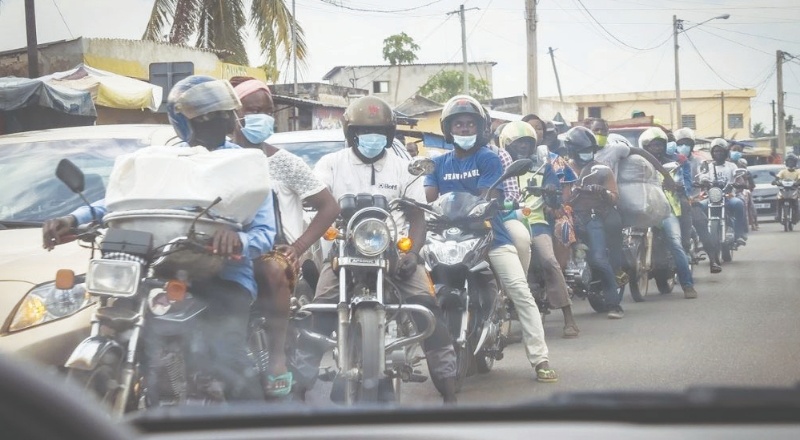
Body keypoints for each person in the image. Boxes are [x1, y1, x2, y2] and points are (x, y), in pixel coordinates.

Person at [43, 75, 276, 402]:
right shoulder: (163, 160)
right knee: (140, 332)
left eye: (224, 114)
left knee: (227, 355)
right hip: (161, 270)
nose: (224, 121)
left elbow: (266, 234)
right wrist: (72, 218)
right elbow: (119, 199)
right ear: (185, 121)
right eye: (209, 116)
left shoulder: (248, 165)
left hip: (223, 275)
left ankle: (257, 427)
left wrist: (237, 240)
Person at [305, 95, 459, 404]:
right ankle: (300, 381)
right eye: (363, 130)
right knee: (320, 307)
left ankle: (448, 387)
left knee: (426, 306)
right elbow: (317, 199)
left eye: (378, 132)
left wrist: (412, 254)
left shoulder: (405, 169)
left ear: (389, 135)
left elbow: (418, 217)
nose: (371, 137)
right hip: (343, 251)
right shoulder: (330, 165)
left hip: (395, 253)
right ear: (351, 133)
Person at [424, 95, 557, 383]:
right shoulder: (437, 164)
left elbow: (488, 196)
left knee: (519, 290)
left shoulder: (489, 158)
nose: (464, 129)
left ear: (481, 128)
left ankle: (540, 358)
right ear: (448, 129)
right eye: (458, 124)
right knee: (419, 291)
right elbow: (429, 199)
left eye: (470, 124)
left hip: (489, 235)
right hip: (447, 239)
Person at [230, 77, 340, 398]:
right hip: (232, 251)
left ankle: (277, 355)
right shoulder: (218, 158)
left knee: (274, 269)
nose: (261, 117)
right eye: (253, 110)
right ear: (235, 115)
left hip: (277, 256)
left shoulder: (284, 162)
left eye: (267, 111)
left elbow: (328, 206)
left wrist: (298, 247)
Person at [499, 121, 580, 338]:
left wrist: (552, 193)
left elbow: (554, 197)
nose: (524, 147)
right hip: (505, 222)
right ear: (506, 144)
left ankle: (568, 315)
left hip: (535, 222)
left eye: (528, 142)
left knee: (549, 261)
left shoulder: (543, 166)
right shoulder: (498, 165)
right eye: (518, 143)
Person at [563, 126, 625, 319]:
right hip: (566, 218)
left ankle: (614, 304)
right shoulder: (562, 169)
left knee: (598, 259)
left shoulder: (602, 170)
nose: (586, 153)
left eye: (589, 149)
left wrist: (602, 191)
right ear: (572, 150)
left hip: (591, 217)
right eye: (582, 150)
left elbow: (614, 197)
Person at [639, 128, 698, 299]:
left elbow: (682, 184)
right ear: (645, 147)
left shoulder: (674, 163)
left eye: (660, 145)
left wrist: (677, 186)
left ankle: (687, 284)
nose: (656, 149)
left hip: (666, 210)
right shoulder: (639, 163)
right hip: (643, 209)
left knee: (676, 243)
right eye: (653, 146)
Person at [674, 127, 722, 273]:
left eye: (687, 143)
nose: (684, 146)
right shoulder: (670, 160)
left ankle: (713, 260)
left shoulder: (699, 162)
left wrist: (704, 181)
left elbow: (704, 175)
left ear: (692, 145)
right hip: (670, 203)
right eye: (681, 143)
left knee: (701, 223)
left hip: (691, 201)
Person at [697, 138, 749, 244]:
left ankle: (738, 234)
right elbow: (703, 177)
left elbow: (739, 178)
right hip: (712, 198)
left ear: (725, 152)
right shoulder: (708, 167)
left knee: (739, 203)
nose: (718, 153)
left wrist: (739, 183)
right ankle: (700, 236)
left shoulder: (731, 166)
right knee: (698, 206)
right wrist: (704, 182)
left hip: (728, 197)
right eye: (716, 151)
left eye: (721, 151)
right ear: (712, 153)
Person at [774, 154, 800, 224]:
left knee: (796, 203)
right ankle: (777, 215)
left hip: (794, 189)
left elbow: (799, 179)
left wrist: (797, 182)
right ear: (786, 162)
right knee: (778, 200)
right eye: (789, 161)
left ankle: (797, 216)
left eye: (792, 161)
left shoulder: (798, 171)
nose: (790, 163)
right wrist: (775, 181)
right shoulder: (783, 171)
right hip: (784, 190)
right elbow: (778, 178)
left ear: (795, 162)